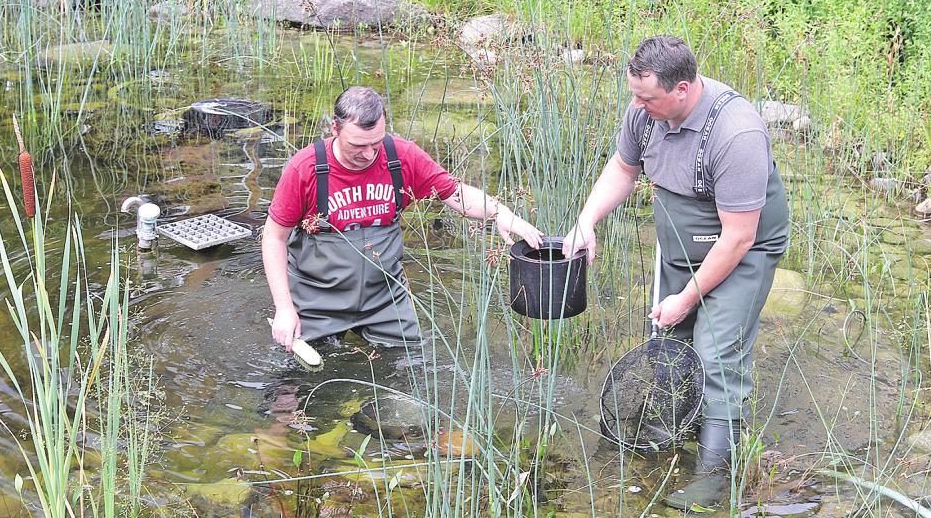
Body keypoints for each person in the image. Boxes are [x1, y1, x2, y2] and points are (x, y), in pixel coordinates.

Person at [562, 36, 789, 509]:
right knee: (667, 346)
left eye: (647, 97)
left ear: (682, 88)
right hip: (679, 247)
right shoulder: (645, 114)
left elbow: (738, 237)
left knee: (715, 357)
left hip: (740, 252)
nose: (637, 105)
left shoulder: (737, 133)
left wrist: (686, 298)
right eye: (634, 95)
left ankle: (715, 473)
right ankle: (679, 431)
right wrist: (587, 220)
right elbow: (624, 170)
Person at [263, 86, 543, 352]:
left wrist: (500, 213)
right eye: (358, 145)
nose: (370, 154)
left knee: (408, 375)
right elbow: (274, 238)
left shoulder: (401, 156)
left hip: (384, 299)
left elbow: (453, 192)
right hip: (316, 299)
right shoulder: (306, 168)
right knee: (299, 383)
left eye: (376, 143)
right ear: (334, 129)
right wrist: (285, 308)